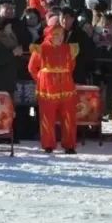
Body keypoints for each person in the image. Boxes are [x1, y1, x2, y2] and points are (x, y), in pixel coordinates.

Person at [28, 23, 77, 154]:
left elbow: (71, 67)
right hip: (47, 89)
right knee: (47, 117)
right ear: (50, 35)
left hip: (66, 87)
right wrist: (41, 79)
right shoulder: (41, 49)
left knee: (69, 117)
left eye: (62, 34)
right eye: (56, 35)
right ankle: (48, 144)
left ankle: (69, 145)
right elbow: (32, 68)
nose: (60, 37)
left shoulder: (68, 49)